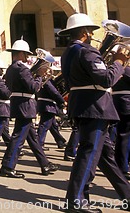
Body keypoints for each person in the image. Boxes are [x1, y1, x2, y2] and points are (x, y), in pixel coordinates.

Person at [58, 13, 130, 212]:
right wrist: (118, 62)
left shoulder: (69, 52)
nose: (92, 35)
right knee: (88, 155)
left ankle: (127, 195)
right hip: (95, 107)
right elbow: (106, 79)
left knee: (105, 157)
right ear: (83, 33)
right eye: (90, 31)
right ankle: (76, 200)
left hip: (83, 106)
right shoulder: (87, 51)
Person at [0, 39, 59, 178]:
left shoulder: (11, 68)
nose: (27, 57)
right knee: (18, 137)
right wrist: (39, 75)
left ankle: (45, 164)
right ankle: (8, 166)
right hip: (25, 104)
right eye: (25, 54)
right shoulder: (22, 68)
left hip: (20, 103)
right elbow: (33, 88)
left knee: (33, 139)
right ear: (19, 53)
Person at [37, 71, 67, 151]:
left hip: (46, 104)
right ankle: (39, 144)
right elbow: (54, 92)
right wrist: (62, 101)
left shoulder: (43, 80)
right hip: (48, 105)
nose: (51, 73)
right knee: (44, 125)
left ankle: (60, 141)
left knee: (53, 126)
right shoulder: (46, 81)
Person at [113, 67, 130, 179]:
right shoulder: (126, 69)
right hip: (126, 103)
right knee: (125, 136)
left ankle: (122, 164)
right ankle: (122, 166)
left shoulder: (116, 69)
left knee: (122, 135)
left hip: (117, 102)